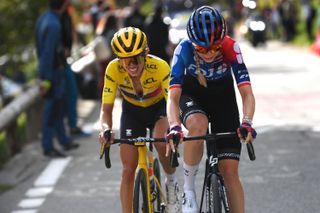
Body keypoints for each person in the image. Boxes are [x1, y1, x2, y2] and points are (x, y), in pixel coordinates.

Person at [165, 6, 257, 213]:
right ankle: (188, 190)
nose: (209, 53)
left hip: (223, 99)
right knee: (198, 125)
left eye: (214, 47)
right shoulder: (184, 49)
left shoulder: (231, 47)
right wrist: (174, 126)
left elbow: (246, 93)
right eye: (202, 49)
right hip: (192, 97)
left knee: (230, 172)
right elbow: (173, 98)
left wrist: (247, 122)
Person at [98, 27, 180, 213]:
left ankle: (171, 181)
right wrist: (105, 129)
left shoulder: (160, 67)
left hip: (160, 109)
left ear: (146, 53)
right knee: (128, 170)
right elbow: (106, 109)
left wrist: (175, 127)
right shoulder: (113, 69)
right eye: (125, 60)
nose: (131, 64)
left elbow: (172, 104)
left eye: (136, 58)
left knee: (160, 141)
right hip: (132, 112)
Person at [35, 0, 79, 157]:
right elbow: (48, 52)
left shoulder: (43, 18)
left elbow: (40, 49)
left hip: (50, 70)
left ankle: (63, 140)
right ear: (63, 4)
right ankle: (48, 146)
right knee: (51, 110)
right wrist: (46, 78)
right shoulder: (54, 24)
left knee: (58, 108)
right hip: (53, 72)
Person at [60, 2, 90, 137]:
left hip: (65, 61)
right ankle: (69, 130)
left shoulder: (66, 14)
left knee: (72, 95)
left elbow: (74, 32)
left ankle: (72, 128)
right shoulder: (56, 18)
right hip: (59, 64)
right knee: (66, 97)